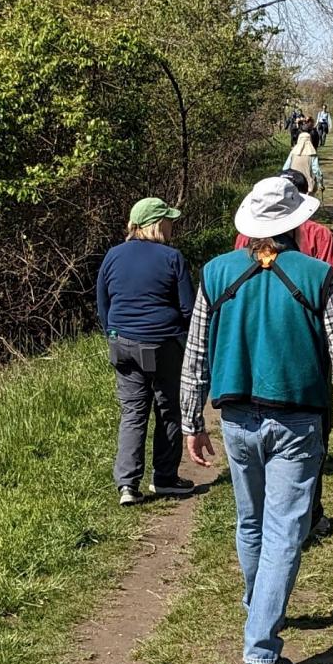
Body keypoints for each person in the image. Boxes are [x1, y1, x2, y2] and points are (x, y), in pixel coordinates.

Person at [181, 177, 333, 664]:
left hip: (236, 417)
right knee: (286, 530)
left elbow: (195, 355)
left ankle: (259, 605)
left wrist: (191, 421)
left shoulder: (216, 273)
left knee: (251, 521)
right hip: (297, 417)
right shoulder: (316, 275)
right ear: (296, 223)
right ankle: (261, 651)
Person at [234, 169, 333, 545]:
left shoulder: (244, 239)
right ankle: (308, 514)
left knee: (253, 437)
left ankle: (264, 520)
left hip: (252, 349)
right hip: (306, 350)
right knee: (314, 430)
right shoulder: (319, 235)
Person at [96, 197, 197, 505]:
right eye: (168, 221)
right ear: (156, 224)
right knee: (168, 408)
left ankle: (127, 485)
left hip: (122, 343)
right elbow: (188, 307)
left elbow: (103, 301)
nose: (171, 226)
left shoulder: (113, 255)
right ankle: (165, 478)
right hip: (162, 343)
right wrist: (184, 340)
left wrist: (112, 332)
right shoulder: (172, 257)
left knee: (133, 412)